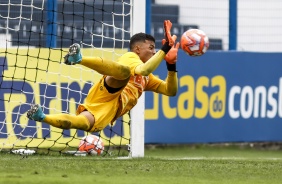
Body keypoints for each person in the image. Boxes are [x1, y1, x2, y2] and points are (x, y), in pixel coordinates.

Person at [27, 20, 179, 132]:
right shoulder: (131, 57)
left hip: (110, 106)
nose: (154, 52)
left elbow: (170, 91)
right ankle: (79, 59)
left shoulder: (148, 79)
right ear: (137, 49)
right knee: (125, 74)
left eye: (155, 49)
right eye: (151, 48)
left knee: (83, 123)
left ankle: (41, 117)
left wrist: (171, 66)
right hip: (110, 89)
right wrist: (165, 49)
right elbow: (144, 70)